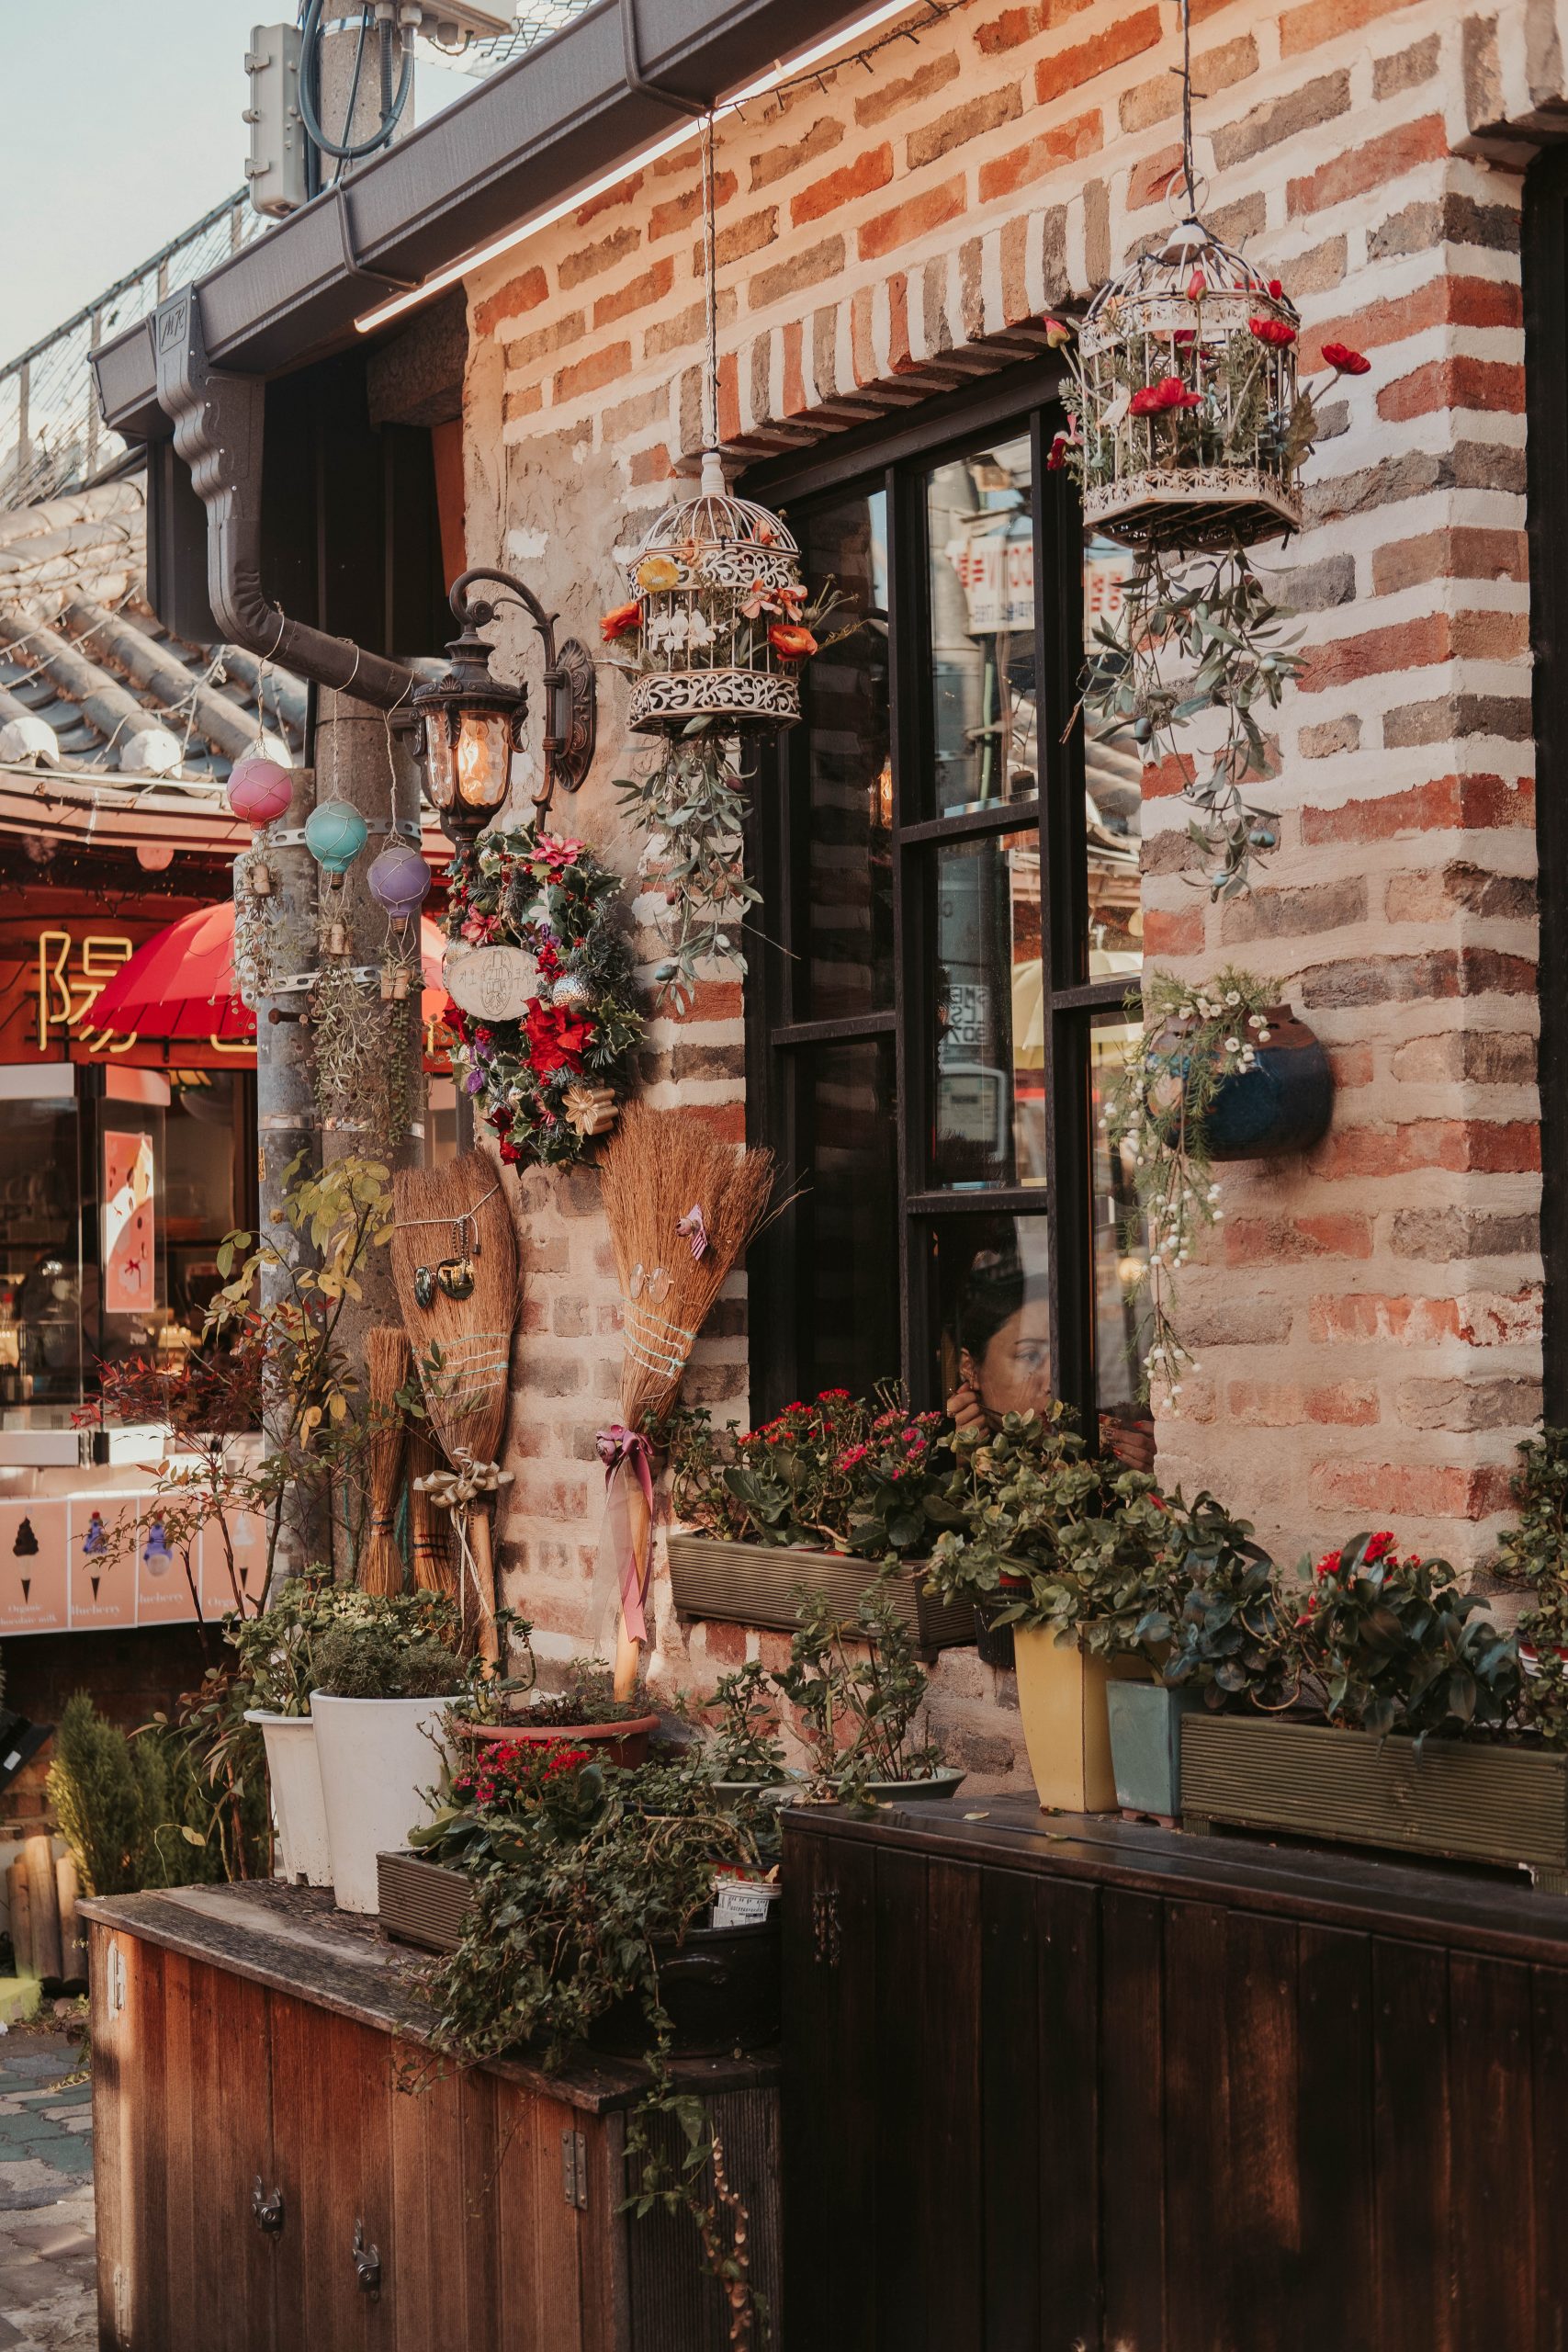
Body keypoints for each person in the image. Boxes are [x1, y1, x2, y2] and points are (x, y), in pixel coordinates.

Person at [945, 1250, 1156, 1473]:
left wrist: (1152, 1470)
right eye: (1030, 1356)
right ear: (970, 1368)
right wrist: (955, 1467)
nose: (1052, 1383)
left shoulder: (1099, 1439)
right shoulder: (941, 1454)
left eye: (1062, 1356)